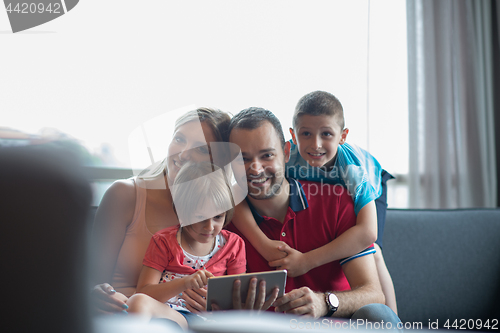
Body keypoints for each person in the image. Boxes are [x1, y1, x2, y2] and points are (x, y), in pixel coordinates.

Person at [226, 107, 400, 324]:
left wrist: (324, 302)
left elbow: (373, 294)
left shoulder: (337, 201)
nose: (256, 168)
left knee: (380, 312)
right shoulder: (220, 222)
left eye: (267, 155)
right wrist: (234, 310)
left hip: (332, 326)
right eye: (243, 159)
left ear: (287, 152)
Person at [90, 108, 233, 316]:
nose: (183, 154)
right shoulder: (125, 195)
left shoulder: (220, 213)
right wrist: (95, 293)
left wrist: (213, 304)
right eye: (179, 139)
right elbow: (90, 279)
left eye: (201, 149)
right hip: (122, 317)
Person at [126, 161, 249, 329]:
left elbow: (238, 298)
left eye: (218, 217)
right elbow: (144, 292)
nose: (210, 227)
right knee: (137, 301)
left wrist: (215, 309)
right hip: (171, 315)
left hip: (210, 321)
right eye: (200, 218)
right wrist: (185, 283)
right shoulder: (163, 241)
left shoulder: (233, 245)